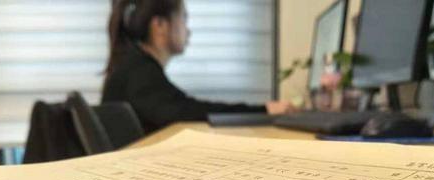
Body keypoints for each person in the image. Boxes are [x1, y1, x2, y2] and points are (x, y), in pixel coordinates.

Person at [102, 0, 293, 133]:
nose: (188, 30)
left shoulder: (135, 66)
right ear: (159, 25)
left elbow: (184, 107)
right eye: (184, 18)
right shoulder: (139, 72)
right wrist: (264, 110)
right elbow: (189, 111)